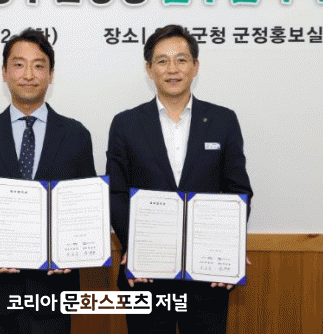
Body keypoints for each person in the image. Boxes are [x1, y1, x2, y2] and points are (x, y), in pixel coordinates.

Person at [106, 24, 253, 334]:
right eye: (162, 61)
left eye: (181, 60)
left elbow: (237, 189)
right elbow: (116, 193)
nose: (172, 69)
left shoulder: (223, 121)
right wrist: (134, 246)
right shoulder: (125, 124)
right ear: (149, 69)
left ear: (195, 66)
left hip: (207, 276)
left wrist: (228, 247)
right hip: (145, 275)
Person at [0, 28, 96, 334]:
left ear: (51, 74)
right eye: (18, 65)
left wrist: (73, 249)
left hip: (51, 294)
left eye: (38, 65)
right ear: (4, 72)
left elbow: (86, 207)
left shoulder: (76, 136)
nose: (28, 74)